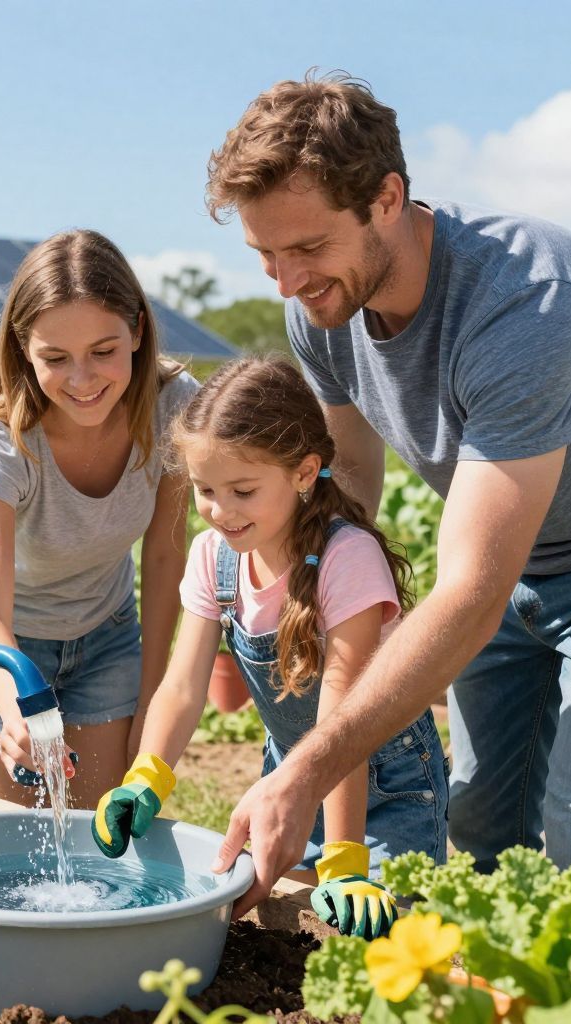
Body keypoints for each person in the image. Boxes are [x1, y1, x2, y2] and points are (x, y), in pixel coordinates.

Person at [198, 73, 571, 916]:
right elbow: (349, 484)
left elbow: (474, 589)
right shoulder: (321, 312)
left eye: (305, 249)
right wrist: (312, 603)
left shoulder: (531, 303)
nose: (286, 282)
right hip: (509, 551)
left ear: (386, 198)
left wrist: (307, 769)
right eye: (266, 255)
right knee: (483, 828)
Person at [91, 356, 445, 938]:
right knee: (292, 939)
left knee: (383, 945)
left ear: (304, 473)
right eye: (205, 490)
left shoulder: (346, 557)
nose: (220, 512)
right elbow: (182, 687)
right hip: (291, 773)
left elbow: (344, 712)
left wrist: (346, 859)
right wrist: (145, 777)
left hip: (384, 785)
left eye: (243, 490)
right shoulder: (214, 557)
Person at [0, 228, 199, 807]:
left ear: (136, 330)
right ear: (23, 350)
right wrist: (18, 708)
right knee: (10, 844)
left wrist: (152, 702)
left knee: (96, 838)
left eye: (104, 351)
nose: (83, 381)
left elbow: (163, 556)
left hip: (104, 637)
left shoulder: (173, 406)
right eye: (56, 358)